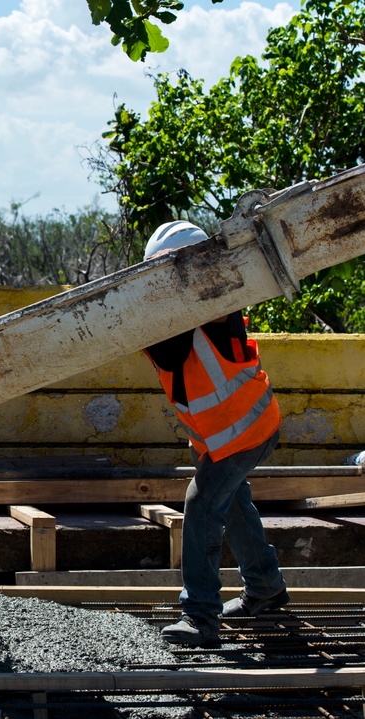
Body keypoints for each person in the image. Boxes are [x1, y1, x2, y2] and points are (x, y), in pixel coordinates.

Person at [142, 220, 289, 647]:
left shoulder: (214, 307)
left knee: (202, 503)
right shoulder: (180, 314)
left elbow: (173, 353)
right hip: (226, 435)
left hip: (243, 432)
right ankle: (265, 588)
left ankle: (201, 617)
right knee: (234, 502)